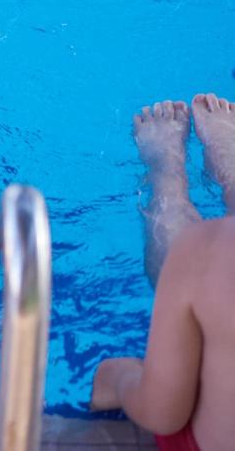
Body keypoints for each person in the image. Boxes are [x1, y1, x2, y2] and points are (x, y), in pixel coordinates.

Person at [90, 94, 235, 450]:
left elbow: (163, 414)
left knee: (200, 255)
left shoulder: (204, 250)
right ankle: (229, 169)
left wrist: (118, 378)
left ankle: (167, 173)